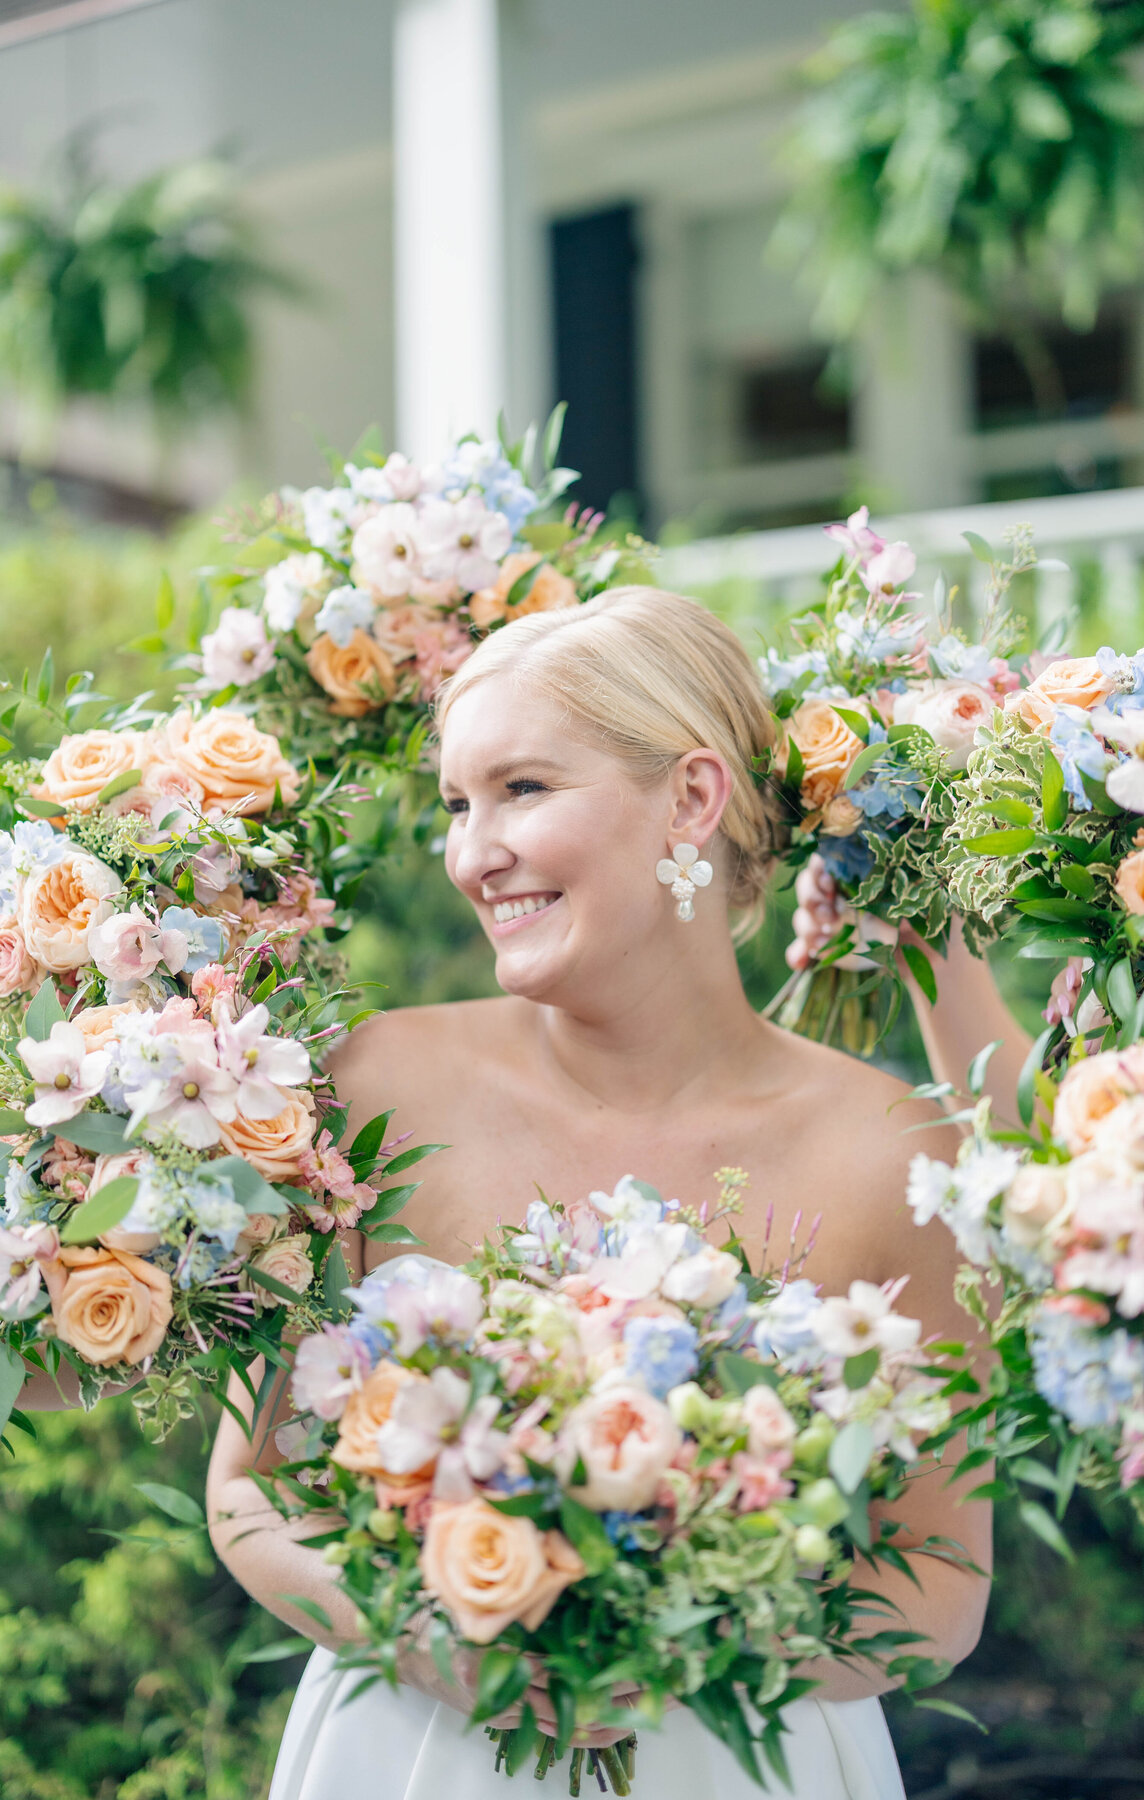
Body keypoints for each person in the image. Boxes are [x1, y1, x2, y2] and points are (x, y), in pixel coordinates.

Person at [208, 586, 996, 1797]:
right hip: (413, 1750)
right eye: (461, 806)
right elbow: (250, 1492)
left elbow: (942, 1588)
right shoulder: (369, 1086)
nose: (475, 852)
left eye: (522, 790)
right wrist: (446, 1643)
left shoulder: (892, 1154)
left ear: (691, 797)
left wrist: (678, 1647)